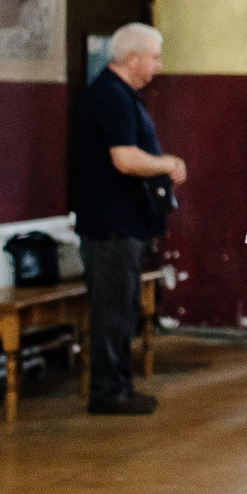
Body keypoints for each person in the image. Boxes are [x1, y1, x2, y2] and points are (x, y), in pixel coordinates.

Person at [72, 21, 184, 416]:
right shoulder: (111, 97)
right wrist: (166, 163)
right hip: (111, 225)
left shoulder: (122, 95)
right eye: (153, 57)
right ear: (132, 58)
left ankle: (118, 385)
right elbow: (124, 158)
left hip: (122, 224)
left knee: (122, 308)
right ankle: (108, 391)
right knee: (113, 312)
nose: (158, 64)